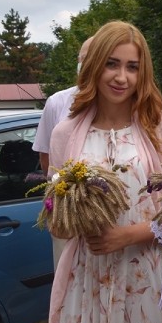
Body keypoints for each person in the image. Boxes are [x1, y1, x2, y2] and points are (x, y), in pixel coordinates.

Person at [44, 21, 162, 323]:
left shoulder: (161, 127)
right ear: (95, 65)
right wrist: (67, 213)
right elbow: (54, 213)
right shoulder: (65, 132)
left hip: (147, 275)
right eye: (112, 64)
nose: (122, 77)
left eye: (132, 67)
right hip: (88, 278)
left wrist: (127, 235)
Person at [33, 35, 93, 268]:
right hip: (68, 214)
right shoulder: (57, 103)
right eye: (83, 58)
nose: (86, 64)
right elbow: (46, 158)